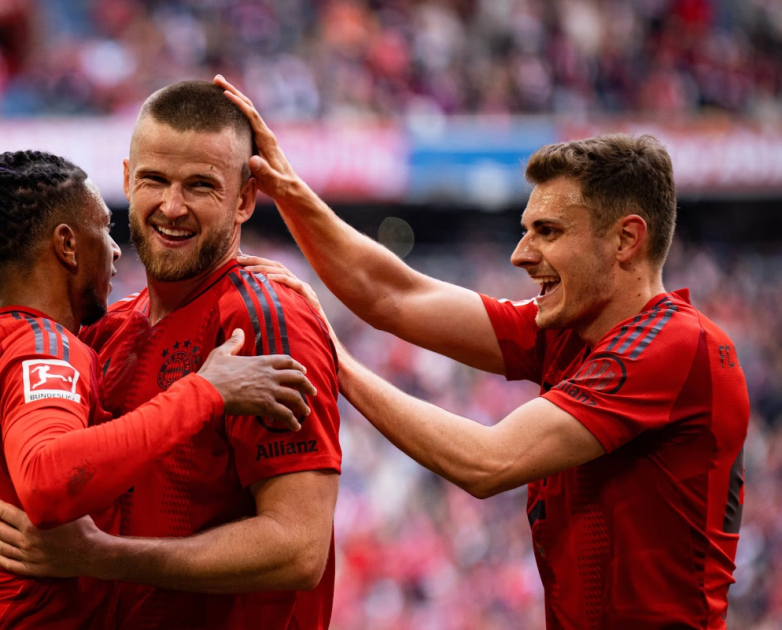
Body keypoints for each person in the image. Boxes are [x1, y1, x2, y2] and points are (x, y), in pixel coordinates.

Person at [214, 77, 747, 628]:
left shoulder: (676, 345)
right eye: (526, 230)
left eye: (547, 232)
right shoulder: (572, 330)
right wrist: (288, 189)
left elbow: (488, 462)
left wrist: (337, 361)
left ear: (625, 240)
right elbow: (394, 294)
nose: (521, 254)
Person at [0, 82, 342, 630]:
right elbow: (30, 475)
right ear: (126, 180)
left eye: (201, 185)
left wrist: (102, 556)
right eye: (154, 180)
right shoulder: (99, 333)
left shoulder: (261, 320)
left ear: (244, 200)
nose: (172, 207)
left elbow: (298, 549)